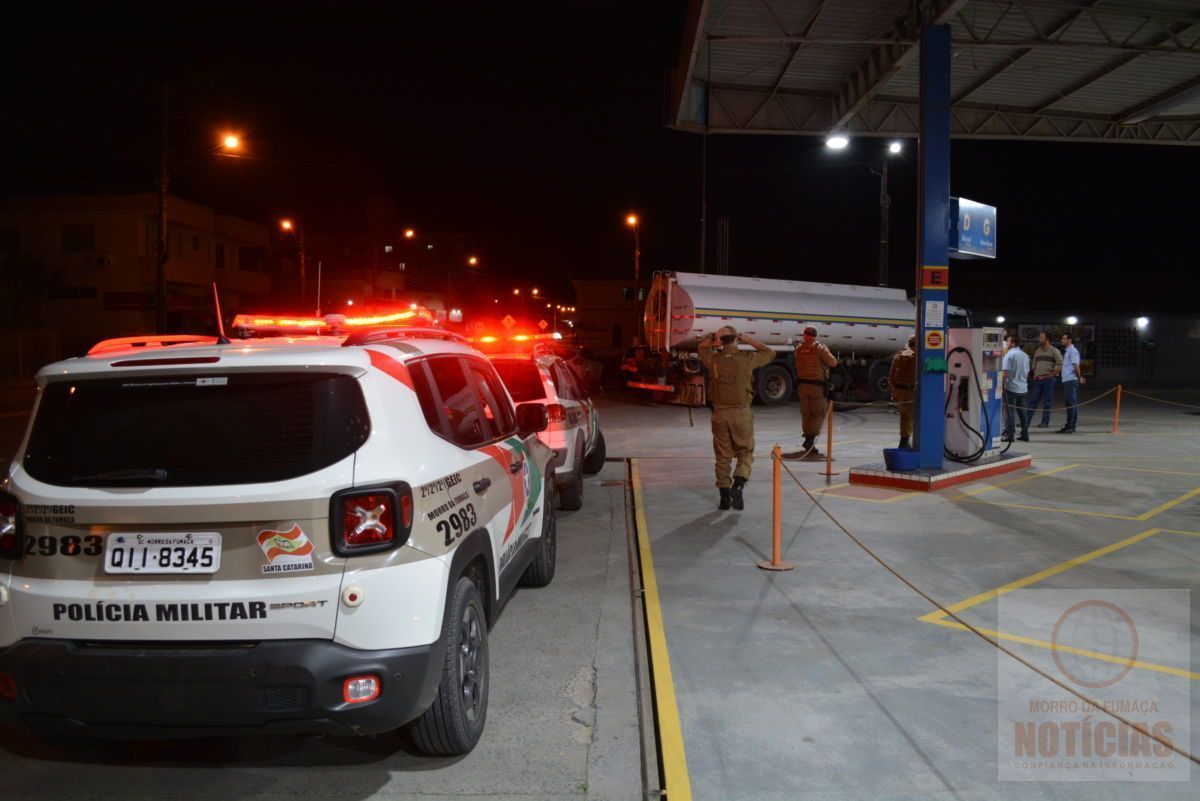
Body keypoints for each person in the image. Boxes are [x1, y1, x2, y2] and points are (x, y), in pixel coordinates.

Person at [698, 326, 775, 510]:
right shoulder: (747, 359)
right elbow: (769, 352)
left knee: (723, 457)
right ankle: (738, 485)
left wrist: (712, 340)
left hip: (719, 414)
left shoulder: (714, 360)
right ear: (736, 340)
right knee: (745, 452)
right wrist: (748, 339)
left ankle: (724, 499)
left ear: (721, 341)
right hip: (741, 413)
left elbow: (702, 348)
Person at [794, 326, 837, 455]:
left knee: (806, 413)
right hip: (816, 387)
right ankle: (810, 440)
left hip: (802, 386)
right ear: (815, 336)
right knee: (818, 413)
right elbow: (833, 362)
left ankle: (807, 439)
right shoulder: (819, 348)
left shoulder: (799, 348)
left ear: (804, 335)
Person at [1027, 331, 1062, 428]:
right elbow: (1034, 363)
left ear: (1047, 339)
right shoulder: (1038, 350)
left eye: (1041, 338)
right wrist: (1034, 373)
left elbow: (1060, 364)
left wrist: (1052, 375)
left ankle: (1045, 422)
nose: (1039, 339)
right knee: (1033, 401)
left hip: (1048, 380)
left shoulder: (1054, 351)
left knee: (1047, 402)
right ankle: (1027, 421)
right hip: (1037, 380)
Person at [889, 335, 917, 448]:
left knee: (905, 417)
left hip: (898, 392)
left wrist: (894, 391)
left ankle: (904, 440)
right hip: (910, 392)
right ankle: (905, 442)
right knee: (910, 417)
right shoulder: (916, 358)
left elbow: (891, 377)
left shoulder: (898, 356)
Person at [1000, 334, 1030, 442]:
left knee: (1009, 412)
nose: (1006, 343)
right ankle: (1025, 434)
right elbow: (1027, 372)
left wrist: (1002, 386)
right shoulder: (1025, 355)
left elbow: (1005, 373)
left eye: (1007, 341)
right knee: (1022, 412)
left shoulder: (1009, 356)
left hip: (1011, 387)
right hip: (1023, 388)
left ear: (1012, 343)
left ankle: (1009, 435)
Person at [1058, 332, 1085, 433]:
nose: (1062, 340)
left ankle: (1071, 426)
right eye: (1062, 338)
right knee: (1069, 403)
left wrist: (1080, 377)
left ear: (1070, 340)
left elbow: (1076, 366)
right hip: (1067, 380)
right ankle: (1069, 425)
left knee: (1071, 403)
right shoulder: (1067, 351)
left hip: (1071, 380)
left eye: (1064, 339)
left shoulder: (1073, 351)